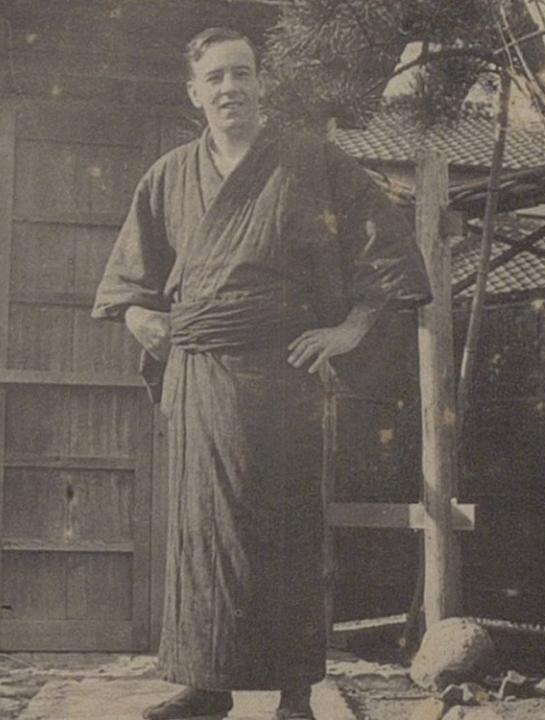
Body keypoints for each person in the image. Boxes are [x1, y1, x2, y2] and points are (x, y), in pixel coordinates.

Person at [91, 27, 431, 720]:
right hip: (200, 379)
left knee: (286, 531)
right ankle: (204, 683)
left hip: (283, 378)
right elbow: (131, 280)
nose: (229, 88)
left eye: (241, 74)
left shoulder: (313, 163)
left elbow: (389, 255)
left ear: (261, 83)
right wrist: (139, 320)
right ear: (194, 93)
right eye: (214, 77)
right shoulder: (168, 177)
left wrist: (349, 330)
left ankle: (295, 692)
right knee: (201, 532)